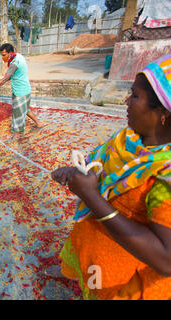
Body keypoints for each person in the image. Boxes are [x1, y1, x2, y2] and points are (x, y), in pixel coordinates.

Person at [50, 54, 171, 300]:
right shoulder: (128, 138)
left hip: (122, 277)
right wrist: (76, 172)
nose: (127, 100)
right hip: (93, 243)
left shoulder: (165, 175)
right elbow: (99, 166)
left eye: (135, 95)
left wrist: (91, 197)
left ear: (162, 111)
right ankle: (75, 273)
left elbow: (166, 261)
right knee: (82, 268)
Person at [0, 43, 45, 134]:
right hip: (26, 89)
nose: (2, 57)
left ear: (10, 53)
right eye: (1, 55)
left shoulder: (14, 64)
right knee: (26, 109)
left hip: (20, 93)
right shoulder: (19, 56)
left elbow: (5, 79)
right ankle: (38, 123)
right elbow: (13, 75)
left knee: (17, 117)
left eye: (4, 55)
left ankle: (18, 136)